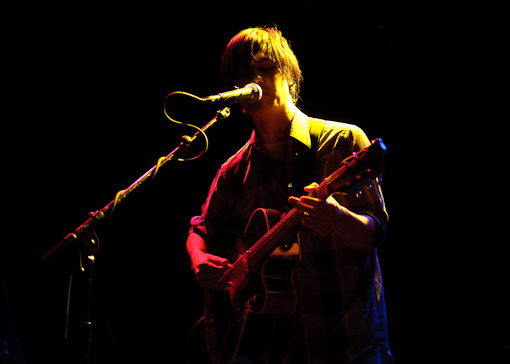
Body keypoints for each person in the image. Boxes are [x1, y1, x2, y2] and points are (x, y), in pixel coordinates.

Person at [186, 26, 392, 364]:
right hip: (272, 351)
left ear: (288, 74)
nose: (256, 80)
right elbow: (201, 230)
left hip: (348, 346)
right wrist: (199, 260)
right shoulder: (232, 172)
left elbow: (375, 233)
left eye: (265, 68)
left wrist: (338, 218)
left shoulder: (342, 141)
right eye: (243, 75)